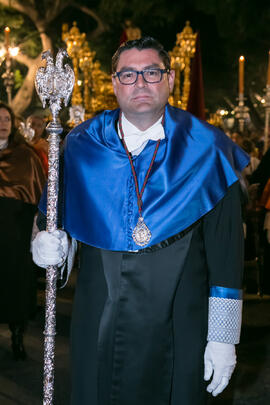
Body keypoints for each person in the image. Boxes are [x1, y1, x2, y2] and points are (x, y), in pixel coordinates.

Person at [32, 37, 249, 404]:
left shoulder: (209, 150)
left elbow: (227, 253)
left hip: (181, 322)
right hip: (98, 314)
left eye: (151, 72)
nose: (141, 83)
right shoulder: (82, 145)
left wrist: (223, 337)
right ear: (115, 83)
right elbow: (49, 221)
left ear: (171, 79)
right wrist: (47, 246)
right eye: (128, 75)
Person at [0, 102, 46, 360]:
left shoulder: (26, 155)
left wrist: (36, 232)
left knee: (15, 286)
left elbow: (38, 195)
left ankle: (18, 337)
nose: (3, 123)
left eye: (7, 118)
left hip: (15, 233)